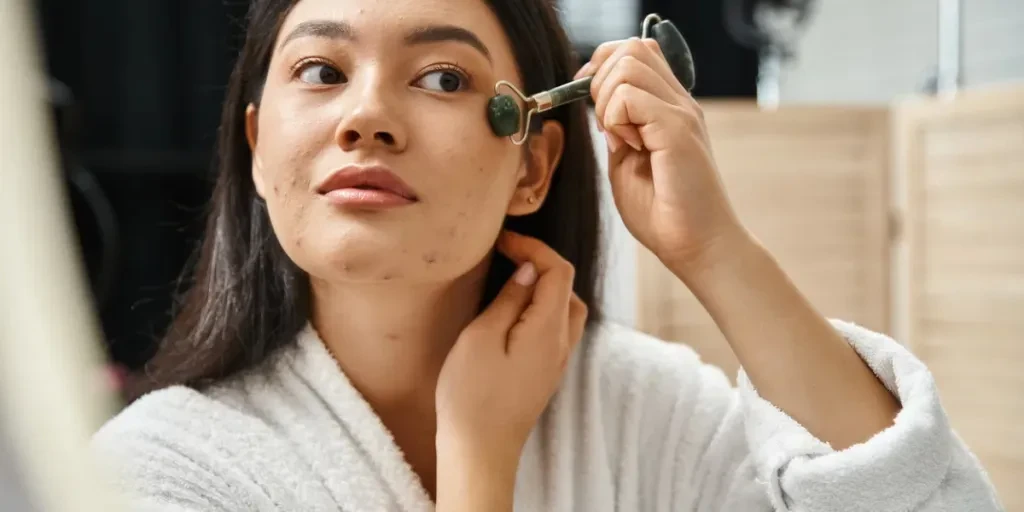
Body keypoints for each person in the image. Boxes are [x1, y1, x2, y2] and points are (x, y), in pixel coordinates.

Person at [91, 0, 1005, 510]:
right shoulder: (158, 473)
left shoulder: (648, 413)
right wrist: (479, 464)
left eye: (443, 78)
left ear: (531, 163)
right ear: (257, 146)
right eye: (322, 72)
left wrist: (717, 251)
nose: (364, 116)